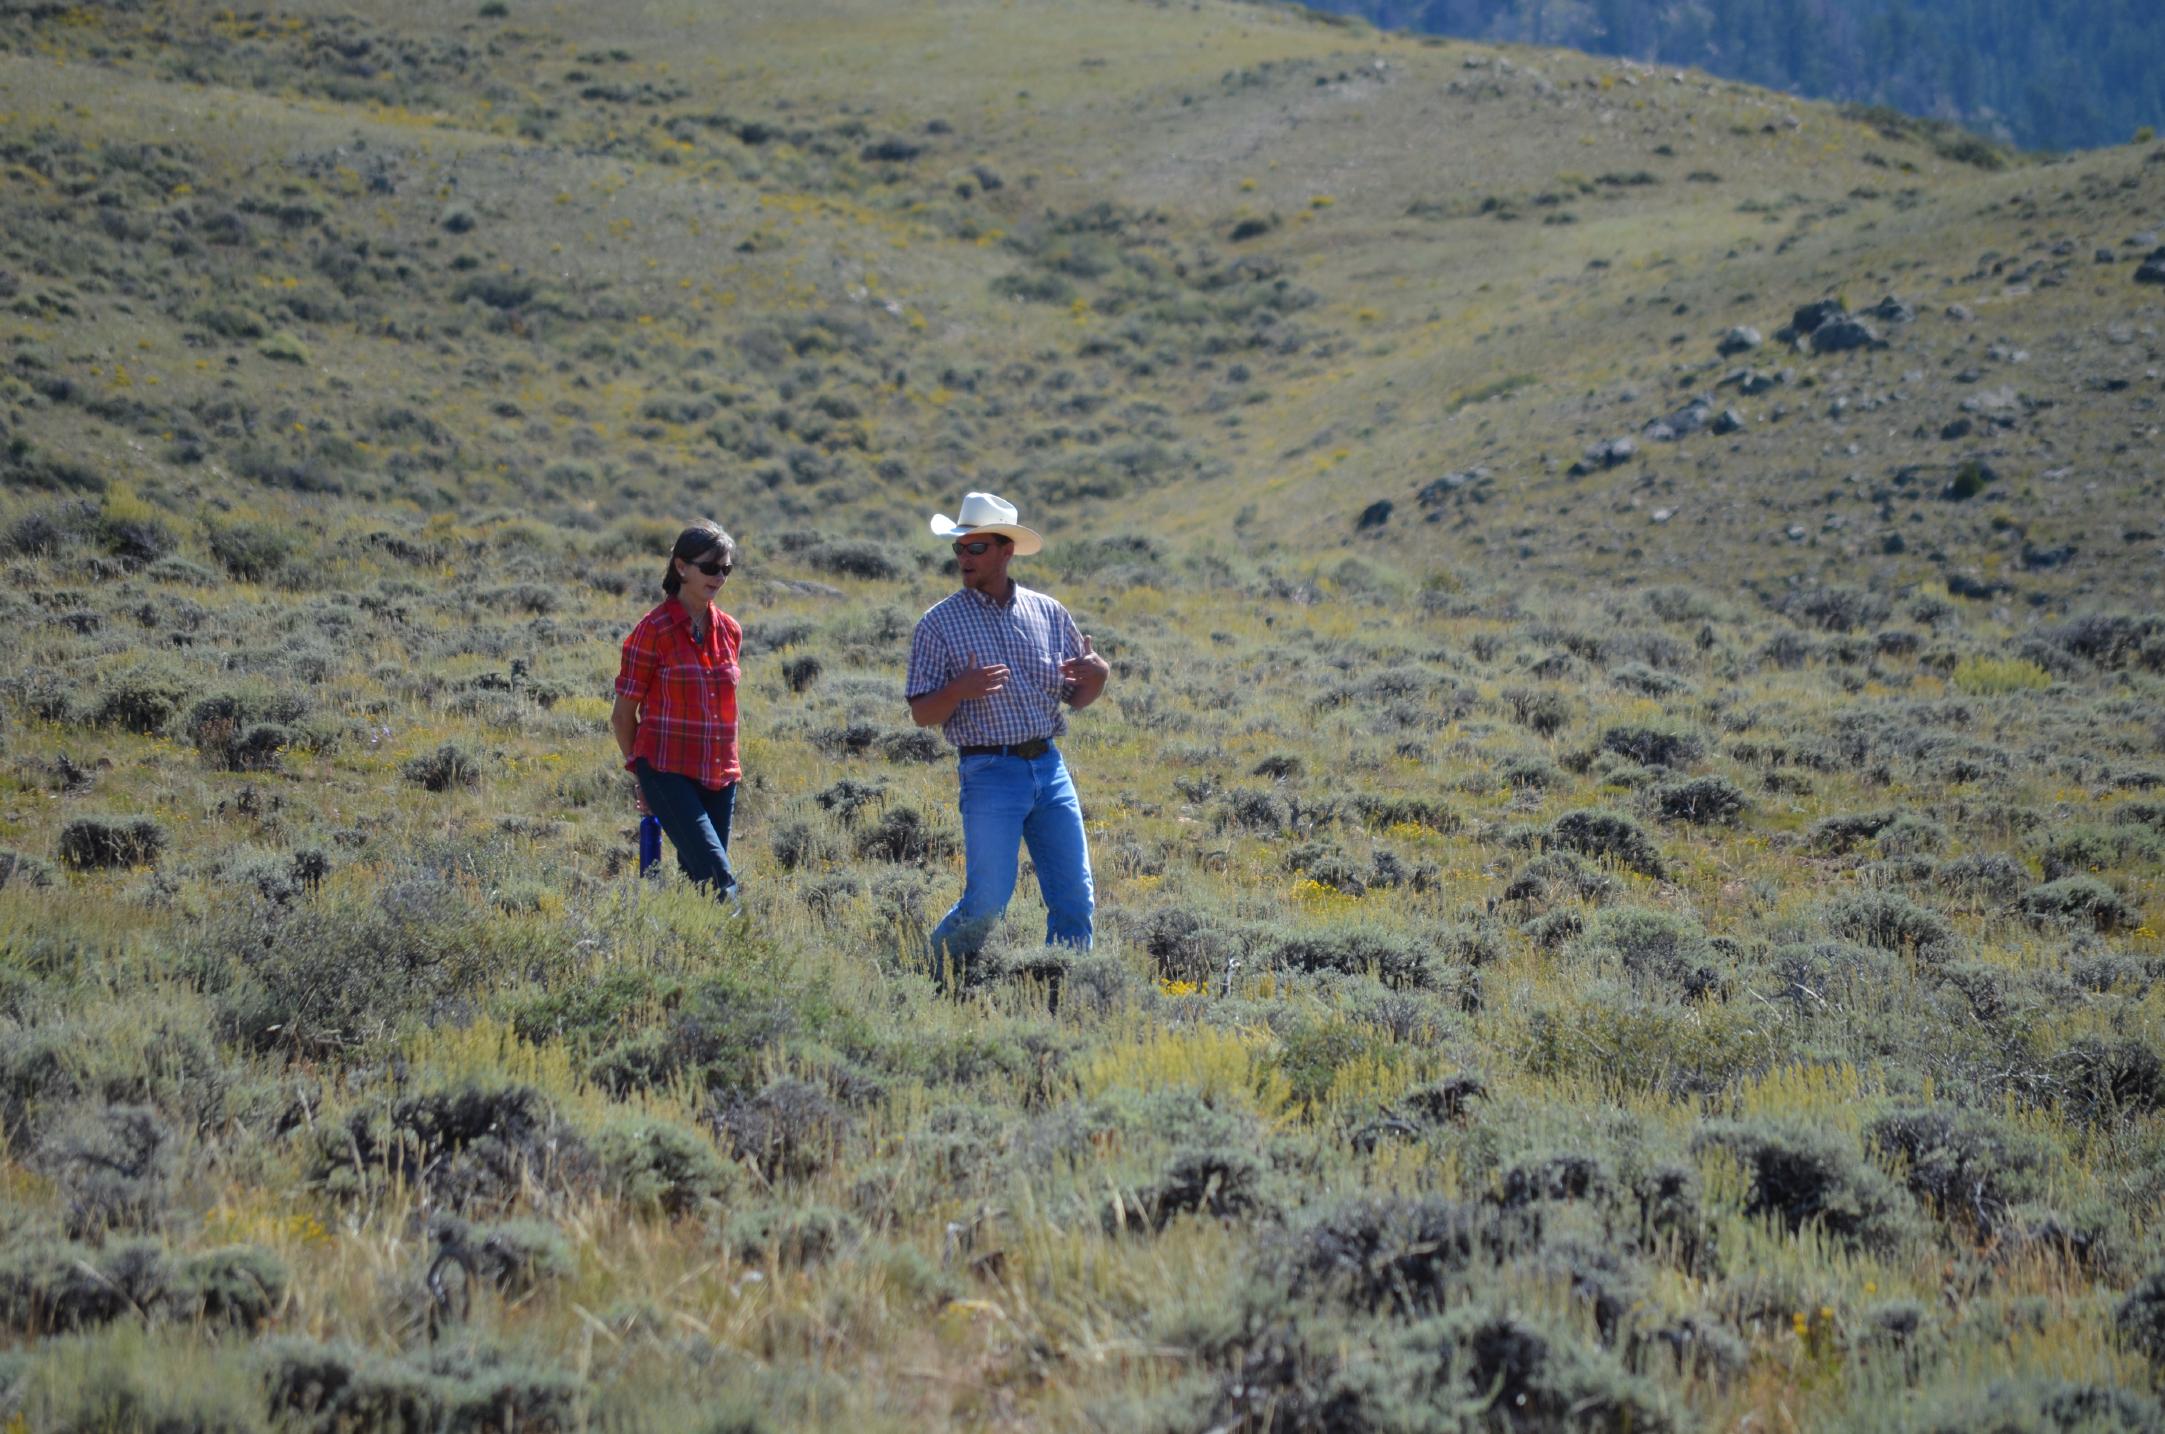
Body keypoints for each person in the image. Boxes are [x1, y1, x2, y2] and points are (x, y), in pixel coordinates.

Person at [906, 492, 1112, 973]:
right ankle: (927, 976)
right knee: (987, 903)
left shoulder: (1048, 613)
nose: (964, 557)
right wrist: (959, 689)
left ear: (1006, 550)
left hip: (1049, 769)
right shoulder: (938, 624)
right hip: (988, 771)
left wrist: (1099, 675)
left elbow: (1077, 696)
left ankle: (1063, 988)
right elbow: (921, 713)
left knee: (1075, 898)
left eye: (976, 547)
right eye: (959, 548)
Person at [611, 521, 744, 902]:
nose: (719, 578)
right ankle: (744, 931)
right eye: (710, 567)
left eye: (726, 569)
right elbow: (622, 716)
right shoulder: (653, 630)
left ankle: (687, 939)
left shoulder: (730, 631)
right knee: (719, 879)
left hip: (720, 774)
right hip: (666, 769)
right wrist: (642, 776)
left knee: (698, 886)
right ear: (681, 567)